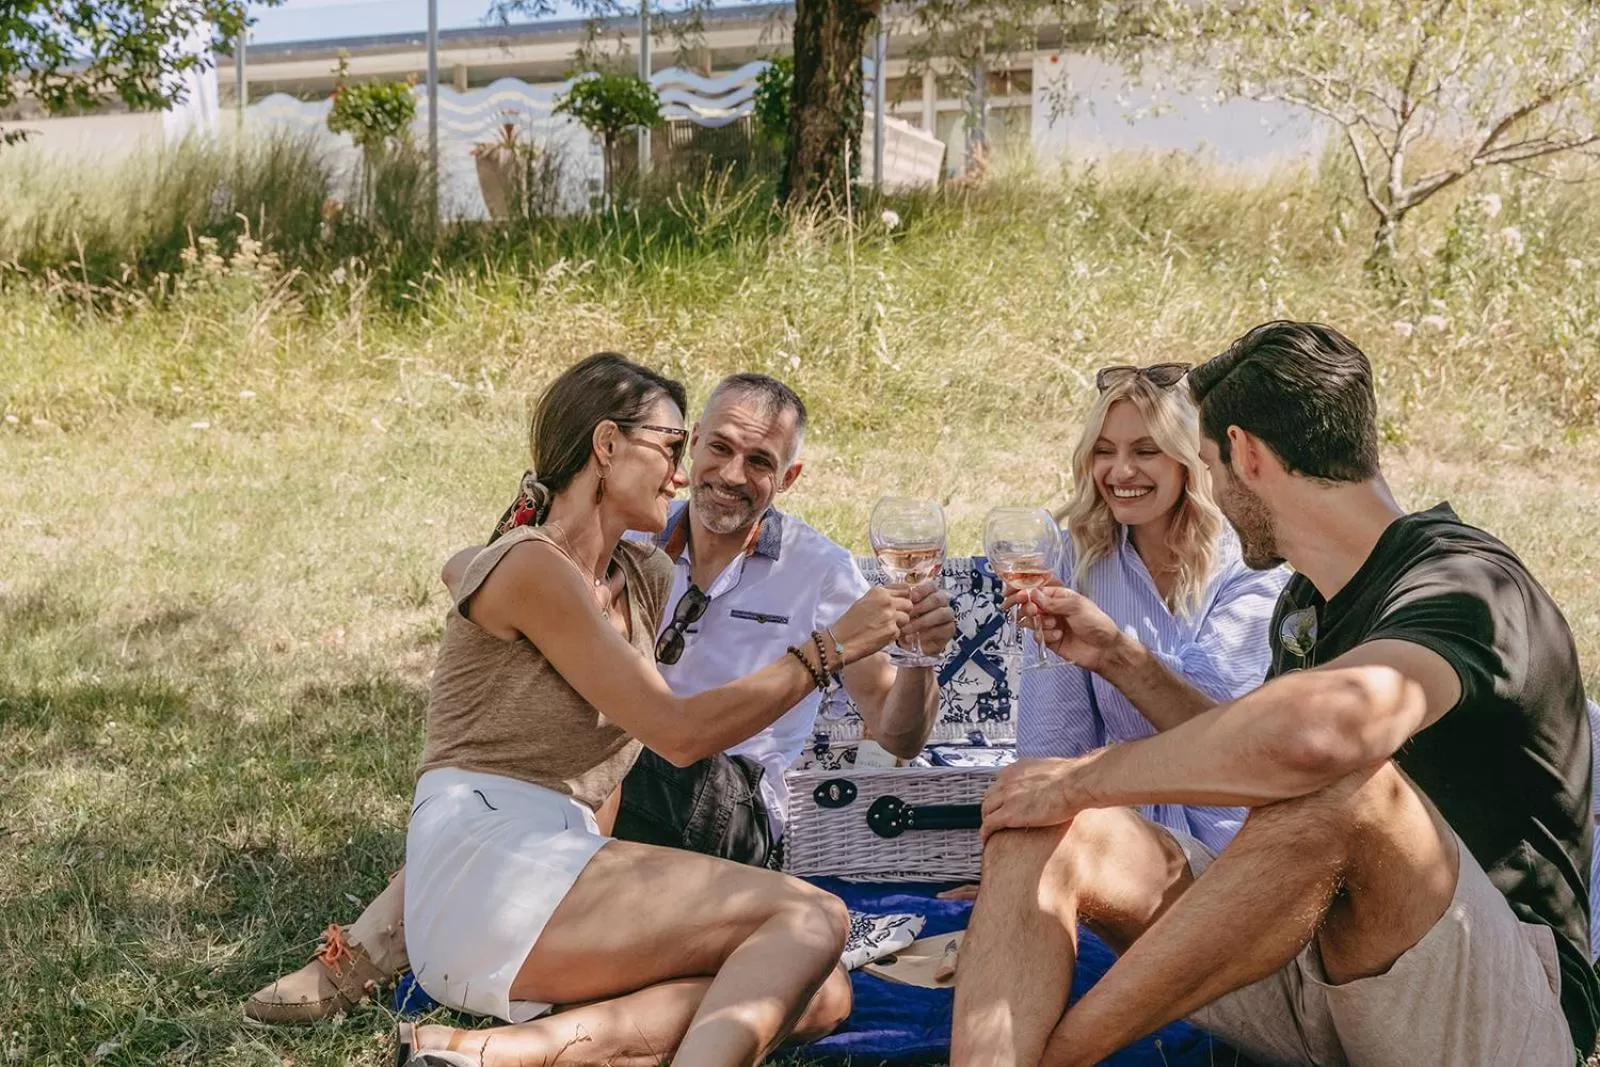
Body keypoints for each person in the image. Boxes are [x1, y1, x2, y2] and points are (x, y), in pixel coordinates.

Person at [951, 321, 1598, 1066]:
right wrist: (1118, 661)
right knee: (1046, 824)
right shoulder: (1305, 600)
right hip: (1317, 959)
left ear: (1248, 455)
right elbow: (1254, 750)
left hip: (1495, 999)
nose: (1214, 494)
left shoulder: (1465, 581)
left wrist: (1081, 776)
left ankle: (1058, 1055)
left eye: (1209, 467)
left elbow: (1322, 743)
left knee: (1348, 789)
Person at [244, 371, 956, 1032]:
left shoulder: (820, 571)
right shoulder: (638, 538)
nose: (730, 475)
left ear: (789, 477)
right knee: (544, 731)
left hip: (729, 804)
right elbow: (475, 564)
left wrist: (918, 659)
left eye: (761, 462)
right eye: (715, 448)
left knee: (607, 750)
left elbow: (897, 736)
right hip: (622, 774)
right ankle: (442, 932)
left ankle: (364, 953)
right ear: (694, 443)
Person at [1019, 363, 1286, 851]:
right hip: (1123, 835)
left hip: (1243, 838)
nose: (1120, 472)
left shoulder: (1250, 562)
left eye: (1146, 451)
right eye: (1104, 452)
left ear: (1189, 459)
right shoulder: (1075, 558)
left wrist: (1113, 651)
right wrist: (1025, 853)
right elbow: (1053, 737)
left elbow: (1221, 737)